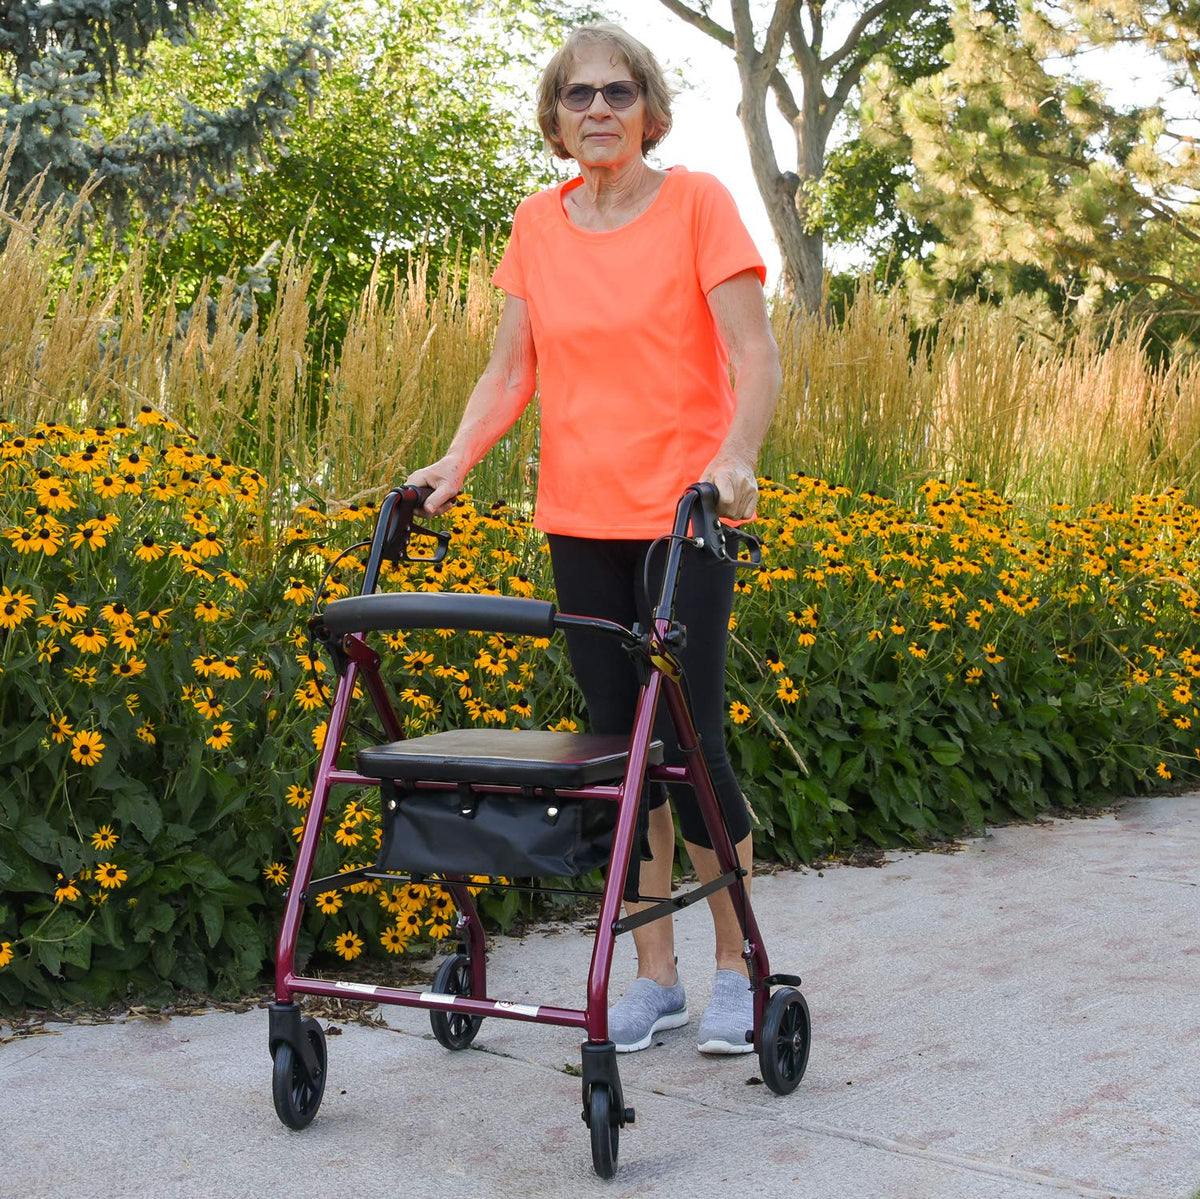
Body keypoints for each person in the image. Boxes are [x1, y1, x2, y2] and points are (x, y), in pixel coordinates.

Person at [408, 21, 782, 1056]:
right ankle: (652, 977)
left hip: (682, 514)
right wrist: (456, 459)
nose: (600, 109)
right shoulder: (539, 222)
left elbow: (756, 357)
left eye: (619, 92)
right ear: (556, 118)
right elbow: (508, 369)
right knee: (625, 754)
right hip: (579, 516)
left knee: (690, 741)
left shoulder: (699, 204)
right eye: (580, 95)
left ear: (649, 108)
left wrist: (736, 455)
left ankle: (737, 967)